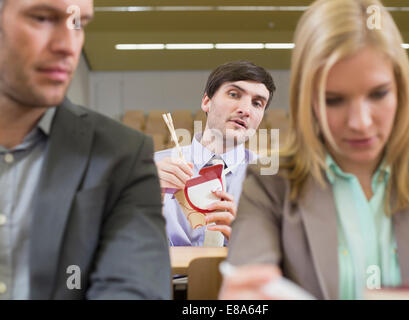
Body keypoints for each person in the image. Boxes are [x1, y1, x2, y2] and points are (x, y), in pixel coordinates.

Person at [220, 0, 409, 300]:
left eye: (378, 94)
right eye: (334, 100)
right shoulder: (268, 183)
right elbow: (249, 283)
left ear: (402, 88)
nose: (360, 122)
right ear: (309, 100)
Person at [0, 0, 171, 299]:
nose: (68, 46)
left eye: (79, 24)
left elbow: (133, 289)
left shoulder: (124, 155)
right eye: (42, 18)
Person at [155, 61, 276, 246]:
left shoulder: (274, 180)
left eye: (257, 103)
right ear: (206, 102)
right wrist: (143, 202)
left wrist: (246, 239)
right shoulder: (153, 166)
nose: (245, 110)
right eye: (234, 94)